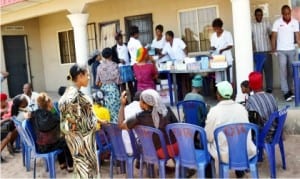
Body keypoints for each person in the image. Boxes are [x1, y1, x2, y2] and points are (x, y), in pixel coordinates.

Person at [205, 81, 256, 177]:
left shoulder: (214, 111)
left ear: (218, 96)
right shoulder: (242, 108)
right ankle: (239, 170)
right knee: (236, 139)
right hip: (243, 152)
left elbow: (208, 136)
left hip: (225, 155)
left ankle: (209, 176)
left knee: (206, 143)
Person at [59, 64, 99, 178]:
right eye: (87, 75)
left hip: (77, 139)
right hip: (80, 139)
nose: (89, 78)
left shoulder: (70, 92)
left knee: (81, 168)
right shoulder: (73, 95)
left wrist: (96, 119)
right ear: (80, 76)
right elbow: (71, 120)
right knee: (84, 169)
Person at [118, 89, 179, 159]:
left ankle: (141, 162)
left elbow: (121, 125)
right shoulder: (166, 110)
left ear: (145, 104)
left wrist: (122, 105)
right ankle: (172, 166)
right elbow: (176, 127)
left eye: (140, 100)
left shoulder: (140, 117)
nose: (139, 102)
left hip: (159, 152)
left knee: (140, 142)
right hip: (175, 148)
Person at [25, 92, 73, 172]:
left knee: (59, 139)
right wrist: (53, 108)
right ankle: (70, 166)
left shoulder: (35, 114)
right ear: (48, 103)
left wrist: (28, 115)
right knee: (65, 140)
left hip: (40, 147)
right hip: (51, 146)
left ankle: (62, 164)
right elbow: (62, 122)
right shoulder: (53, 116)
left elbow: (27, 115)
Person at [271, 5, 300, 102]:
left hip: (292, 49)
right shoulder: (277, 22)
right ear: (282, 13)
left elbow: (297, 36)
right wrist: (274, 49)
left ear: (290, 12)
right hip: (281, 50)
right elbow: (273, 37)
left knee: (291, 71)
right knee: (283, 71)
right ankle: (286, 92)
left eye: (288, 13)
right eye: (285, 14)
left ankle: (291, 90)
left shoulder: (295, 22)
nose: (287, 16)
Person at [245, 72, 278, 142]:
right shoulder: (271, 96)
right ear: (262, 84)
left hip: (264, 135)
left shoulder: (252, 99)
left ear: (250, 86)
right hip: (276, 132)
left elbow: (245, 113)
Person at [161, 30, 189, 100]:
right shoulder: (167, 45)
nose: (165, 38)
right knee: (177, 81)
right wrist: (154, 58)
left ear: (171, 36)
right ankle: (179, 96)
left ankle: (186, 96)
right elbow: (162, 54)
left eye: (166, 36)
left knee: (184, 80)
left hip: (182, 62)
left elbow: (185, 48)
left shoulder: (178, 41)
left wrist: (187, 58)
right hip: (174, 64)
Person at [95, 47, 121, 123]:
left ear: (103, 56)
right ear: (111, 55)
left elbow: (97, 82)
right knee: (115, 111)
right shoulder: (115, 65)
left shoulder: (99, 67)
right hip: (113, 90)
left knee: (106, 111)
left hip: (103, 91)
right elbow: (119, 81)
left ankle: (107, 131)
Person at [252, 8, 273, 93]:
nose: (259, 16)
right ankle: (259, 89)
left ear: (262, 15)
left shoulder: (267, 23)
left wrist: (272, 47)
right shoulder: (251, 25)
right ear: (255, 15)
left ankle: (269, 88)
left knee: (268, 71)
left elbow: (272, 35)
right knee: (258, 73)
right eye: (257, 15)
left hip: (267, 51)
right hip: (257, 52)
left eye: (260, 15)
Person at [210, 18, 234, 83]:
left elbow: (231, 45)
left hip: (226, 58)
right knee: (219, 80)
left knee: (228, 78)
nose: (215, 30)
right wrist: (212, 49)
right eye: (214, 29)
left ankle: (228, 92)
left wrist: (222, 50)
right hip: (217, 59)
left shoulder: (227, 34)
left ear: (220, 27)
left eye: (216, 28)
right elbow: (213, 46)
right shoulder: (213, 36)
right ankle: (220, 92)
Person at [112, 31, 135, 98]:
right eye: (119, 39)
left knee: (130, 84)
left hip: (128, 66)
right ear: (116, 40)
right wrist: (119, 60)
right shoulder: (114, 48)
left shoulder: (126, 45)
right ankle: (125, 101)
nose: (121, 40)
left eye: (121, 38)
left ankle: (133, 98)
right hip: (120, 68)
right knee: (123, 85)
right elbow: (113, 58)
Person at [1, 93, 19, 159]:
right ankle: (9, 146)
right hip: (3, 126)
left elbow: (14, 115)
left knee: (16, 129)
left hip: (9, 124)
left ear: (4, 100)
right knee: (8, 135)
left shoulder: (11, 104)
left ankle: (10, 145)